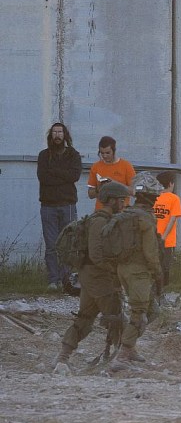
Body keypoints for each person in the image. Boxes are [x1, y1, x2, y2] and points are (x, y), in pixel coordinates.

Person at [54, 182, 129, 371]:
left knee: (85, 318)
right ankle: (121, 360)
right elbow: (96, 255)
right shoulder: (100, 222)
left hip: (90, 277)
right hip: (98, 277)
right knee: (116, 317)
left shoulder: (103, 219)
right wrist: (115, 272)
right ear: (111, 200)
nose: (123, 204)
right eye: (121, 200)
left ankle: (63, 358)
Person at [116, 172, 165, 363]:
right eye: (154, 197)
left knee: (151, 310)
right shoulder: (145, 219)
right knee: (140, 312)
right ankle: (123, 354)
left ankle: (130, 347)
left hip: (124, 270)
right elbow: (151, 253)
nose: (155, 200)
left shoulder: (124, 215)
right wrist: (158, 273)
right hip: (139, 273)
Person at [37, 122, 82, 291]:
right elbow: (43, 178)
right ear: (50, 135)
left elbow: (75, 175)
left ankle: (67, 280)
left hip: (68, 205)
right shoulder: (43, 156)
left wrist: (54, 172)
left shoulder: (73, 155)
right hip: (48, 206)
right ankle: (53, 280)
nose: (57, 135)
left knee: (68, 244)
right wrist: (63, 175)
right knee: (51, 245)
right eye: (55, 132)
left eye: (60, 132)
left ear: (65, 135)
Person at [87, 136, 135, 211]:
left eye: (108, 153)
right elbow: (90, 194)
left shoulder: (126, 166)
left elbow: (134, 192)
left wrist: (114, 184)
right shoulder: (96, 166)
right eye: (102, 153)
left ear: (114, 151)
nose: (104, 156)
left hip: (121, 212)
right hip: (101, 212)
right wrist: (99, 189)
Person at [153, 171, 181, 292]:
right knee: (165, 266)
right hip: (167, 240)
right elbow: (172, 219)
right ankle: (162, 291)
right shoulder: (174, 199)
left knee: (154, 264)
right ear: (170, 184)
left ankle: (154, 290)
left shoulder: (154, 197)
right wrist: (164, 236)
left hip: (152, 237)